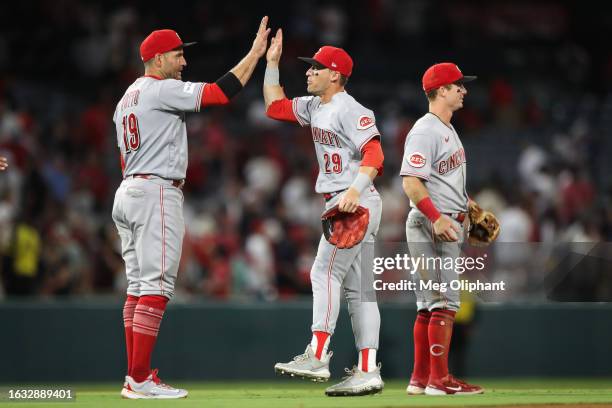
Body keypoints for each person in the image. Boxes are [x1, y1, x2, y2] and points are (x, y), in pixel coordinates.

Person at [113, 17, 270, 399]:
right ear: (157, 58)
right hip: (156, 192)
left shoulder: (126, 99)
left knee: (137, 288)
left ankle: (135, 377)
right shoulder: (159, 89)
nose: (183, 62)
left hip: (129, 189)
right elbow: (220, 93)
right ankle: (139, 378)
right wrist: (255, 55)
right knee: (156, 287)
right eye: (178, 54)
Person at [263, 29, 385, 396]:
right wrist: (271, 64)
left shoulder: (352, 109)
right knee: (361, 291)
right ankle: (367, 370)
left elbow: (376, 155)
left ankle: (317, 353)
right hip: (345, 199)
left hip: (354, 200)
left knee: (323, 271)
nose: (308, 72)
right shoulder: (316, 106)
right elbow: (274, 106)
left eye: (316, 67)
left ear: (335, 74)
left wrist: (353, 191)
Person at [400, 62, 484, 395]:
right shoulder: (425, 130)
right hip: (432, 225)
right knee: (446, 302)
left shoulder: (445, 128)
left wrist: (469, 205)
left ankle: (420, 379)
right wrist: (437, 217)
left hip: (443, 221)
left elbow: (442, 182)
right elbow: (411, 183)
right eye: (458, 85)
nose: (464, 90)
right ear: (442, 90)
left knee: (428, 303)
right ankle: (440, 380)